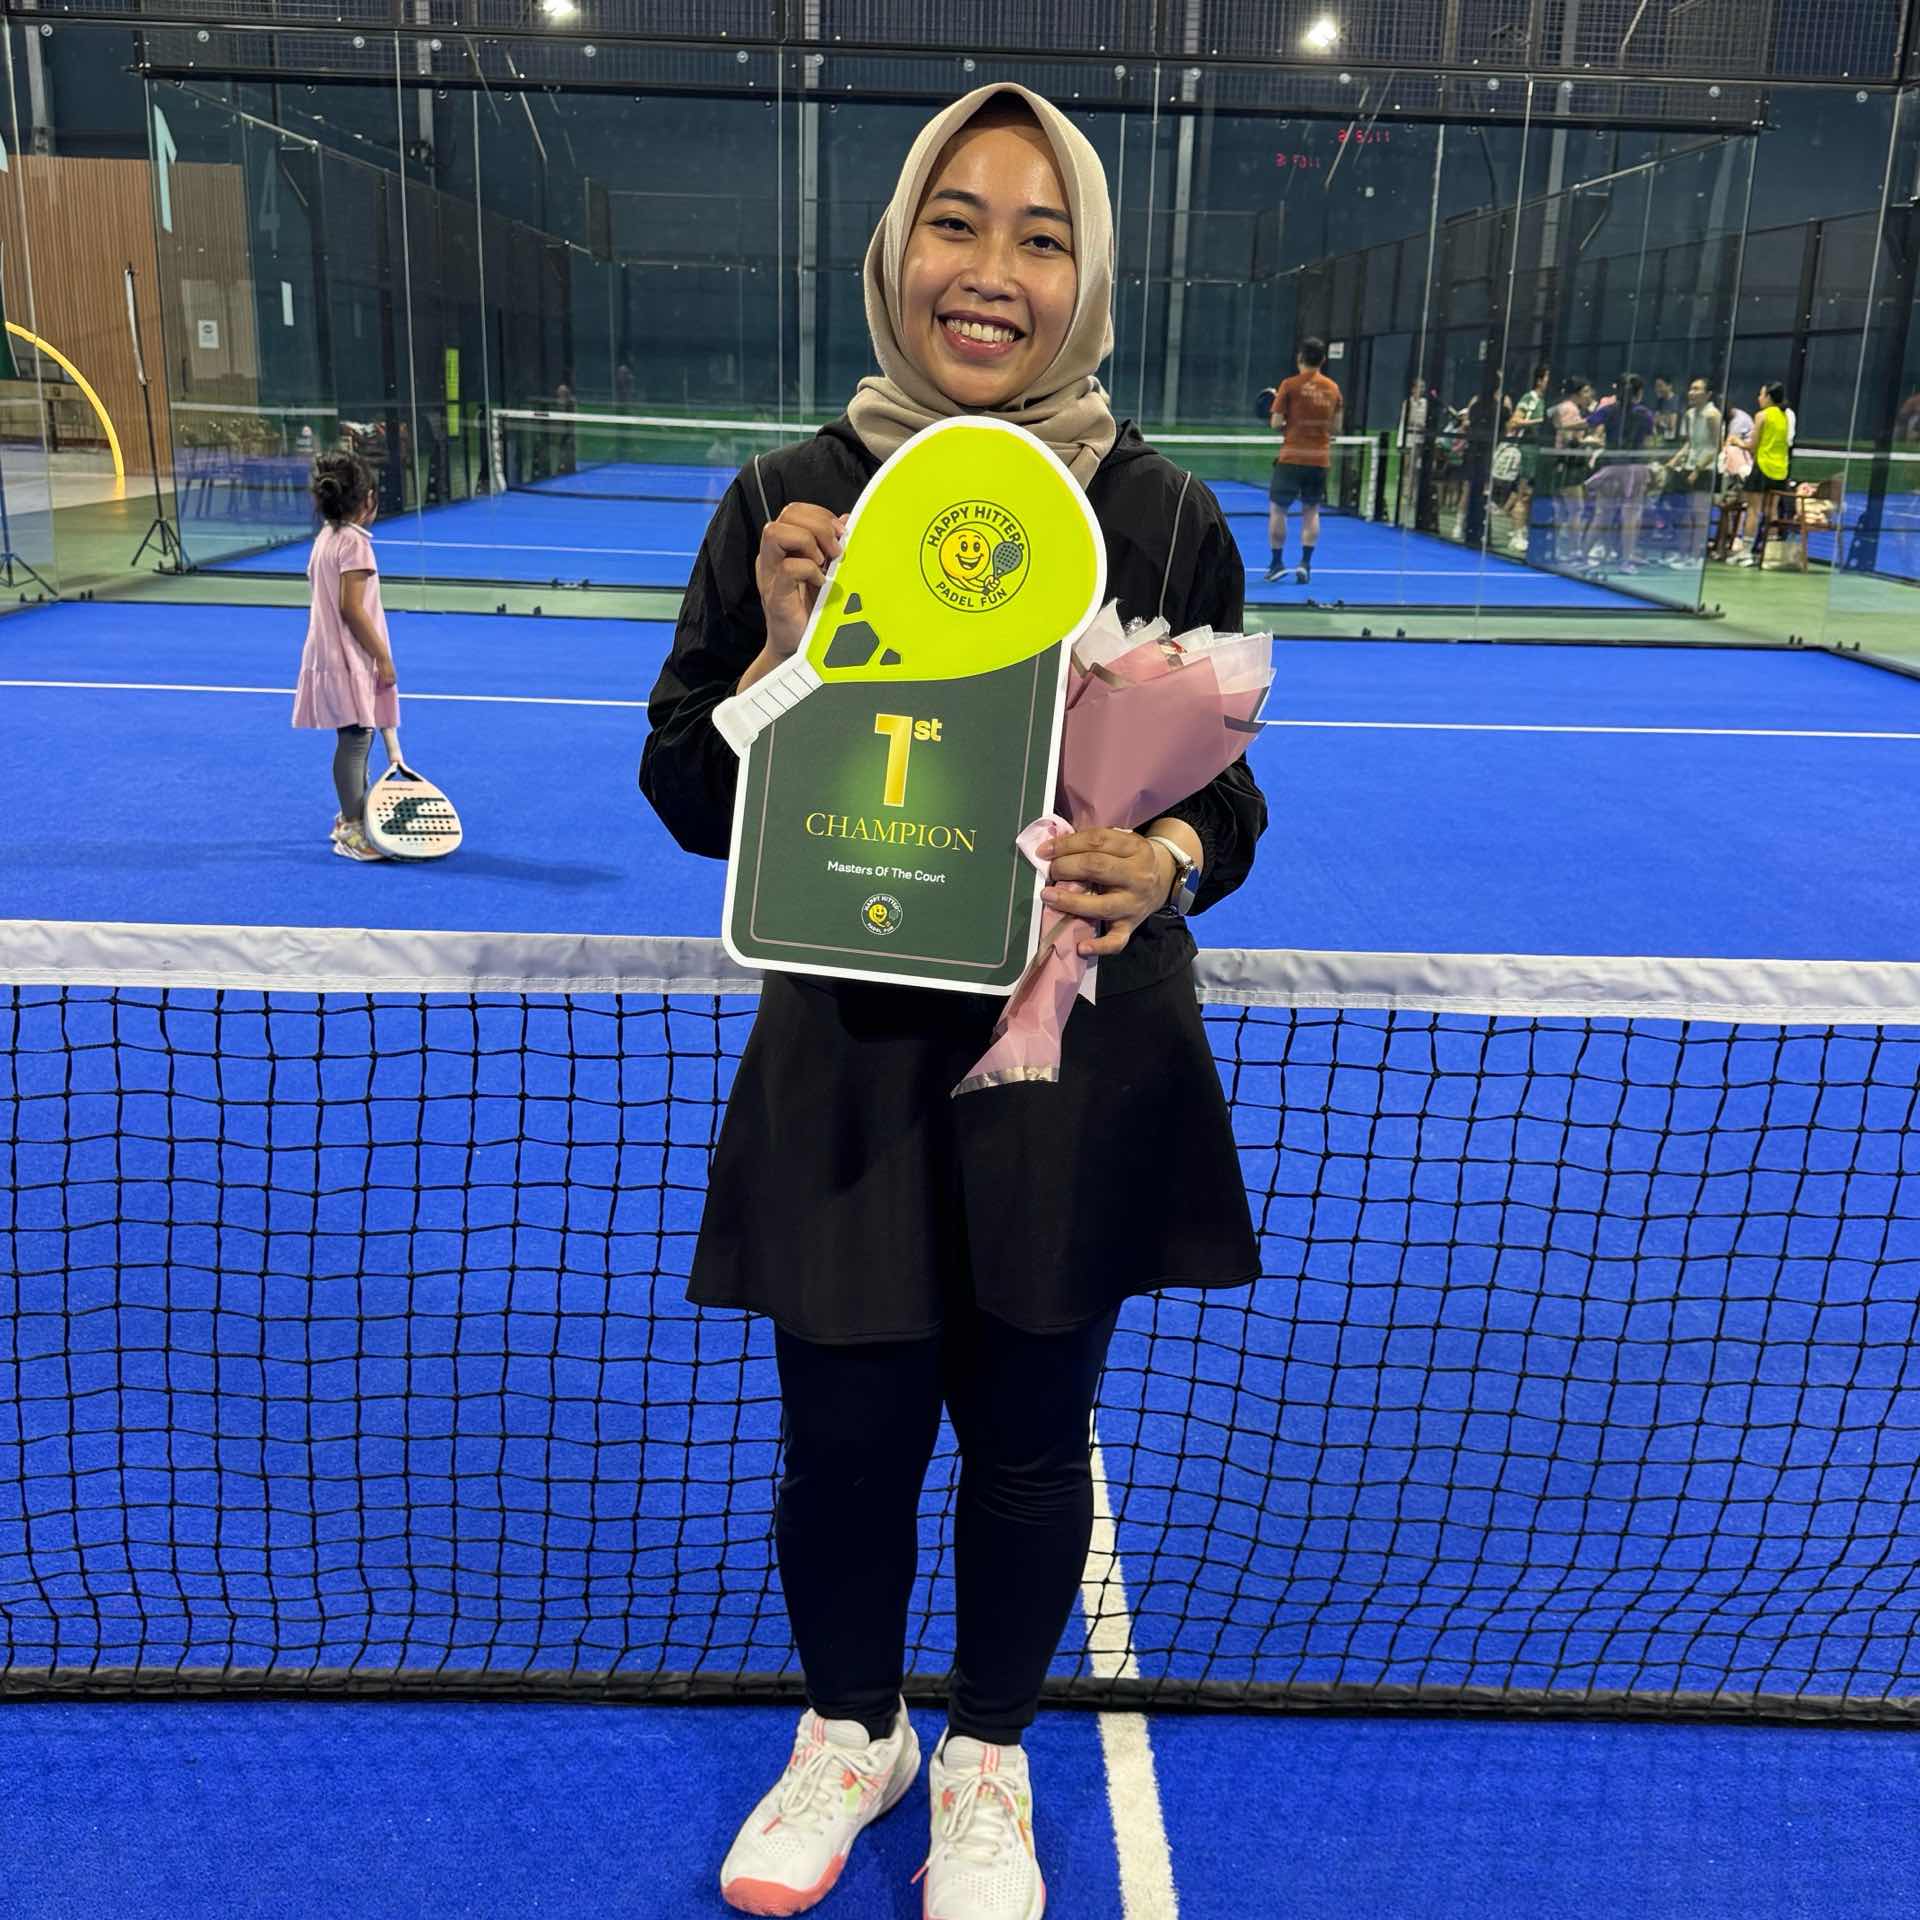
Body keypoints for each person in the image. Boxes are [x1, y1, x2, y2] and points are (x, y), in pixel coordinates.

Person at [638, 84, 1265, 1920]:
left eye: (1041, 236)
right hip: (847, 1064)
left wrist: (1169, 861)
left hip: (1073, 1064)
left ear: (1088, 279)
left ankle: (988, 1752)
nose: (993, 271)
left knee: (1028, 1439)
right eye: (958, 221)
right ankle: (856, 1731)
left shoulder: (1162, 512)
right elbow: (687, 793)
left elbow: (1229, 793)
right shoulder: (785, 500)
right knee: (844, 1446)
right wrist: (780, 648)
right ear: (896, 246)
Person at [291, 450, 396, 863]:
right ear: (368, 500)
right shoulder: (355, 545)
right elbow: (351, 608)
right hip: (347, 659)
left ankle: (350, 814)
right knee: (356, 739)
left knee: (352, 737)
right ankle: (352, 826)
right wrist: (382, 656)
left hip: (329, 654)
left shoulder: (326, 539)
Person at [1267, 335, 1344, 583]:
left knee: (1278, 510)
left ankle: (1277, 564)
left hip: (1291, 458)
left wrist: (1288, 425)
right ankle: (1305, 564)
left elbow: (1276, 423)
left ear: (1300, 357)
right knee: (1311, 511)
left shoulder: (1289, 385)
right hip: (1319, 460)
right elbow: (1336, 428)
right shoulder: (1333, 388)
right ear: (1323, 359)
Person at [1663, 377, 1723, 568]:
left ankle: (1697, 557)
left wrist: (1698, 470)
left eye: (1697, 389)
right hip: (1688, 467)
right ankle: (1683, 554)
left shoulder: (1713, 415)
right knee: (1685, 514)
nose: (1692, 393)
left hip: (1705, 469)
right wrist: (1674, 460)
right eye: (1691, 388)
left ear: (1708, 394)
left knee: (1699, 515)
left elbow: (1716, 446)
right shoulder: (1689, 414)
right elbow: (1689, 443)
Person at [1734, 381, 1793, 567]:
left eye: (1761, 394)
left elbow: (1752, 446)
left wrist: (1736, 441)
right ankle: (1769, 554)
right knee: (1771, 511)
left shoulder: (1762, 415)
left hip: (1762, 468)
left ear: (1768, 397)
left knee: (1753, 510)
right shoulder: (1785, 416)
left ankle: (1745, 554)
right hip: (1780, 471)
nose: (1758, 398)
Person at [1498, 362, 1549, 553]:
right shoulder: (1530, 398)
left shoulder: (1547, 400)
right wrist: (1538, 421)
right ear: (1539, 380)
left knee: (1533, 496)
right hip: (1527, 452)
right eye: (1548, 377)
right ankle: (1517, 535)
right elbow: (1513, 422)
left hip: (1540, 454)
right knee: (1523, 495)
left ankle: (1524, 532)